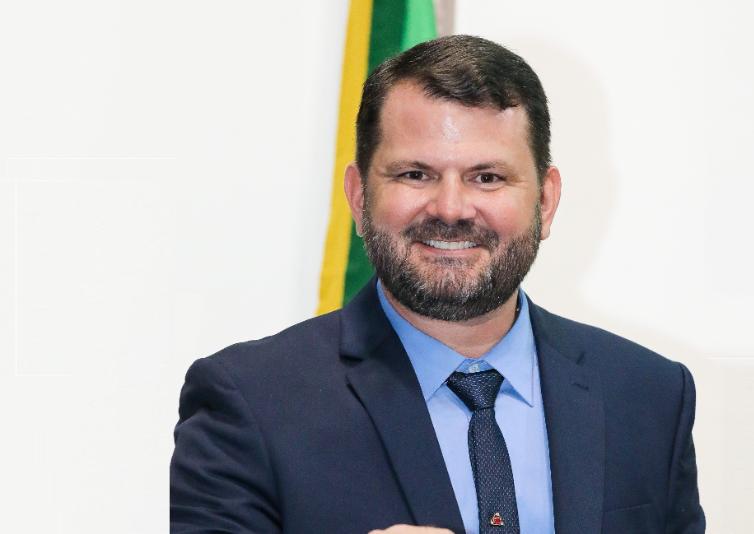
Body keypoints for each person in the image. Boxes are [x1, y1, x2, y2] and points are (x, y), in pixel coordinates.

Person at [170, 35, 705, 534]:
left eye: (487, 177)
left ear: (545, 201)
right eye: (415, 175)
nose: (451, 209)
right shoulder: (250, 403)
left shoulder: (650, 395)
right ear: (358, 196)